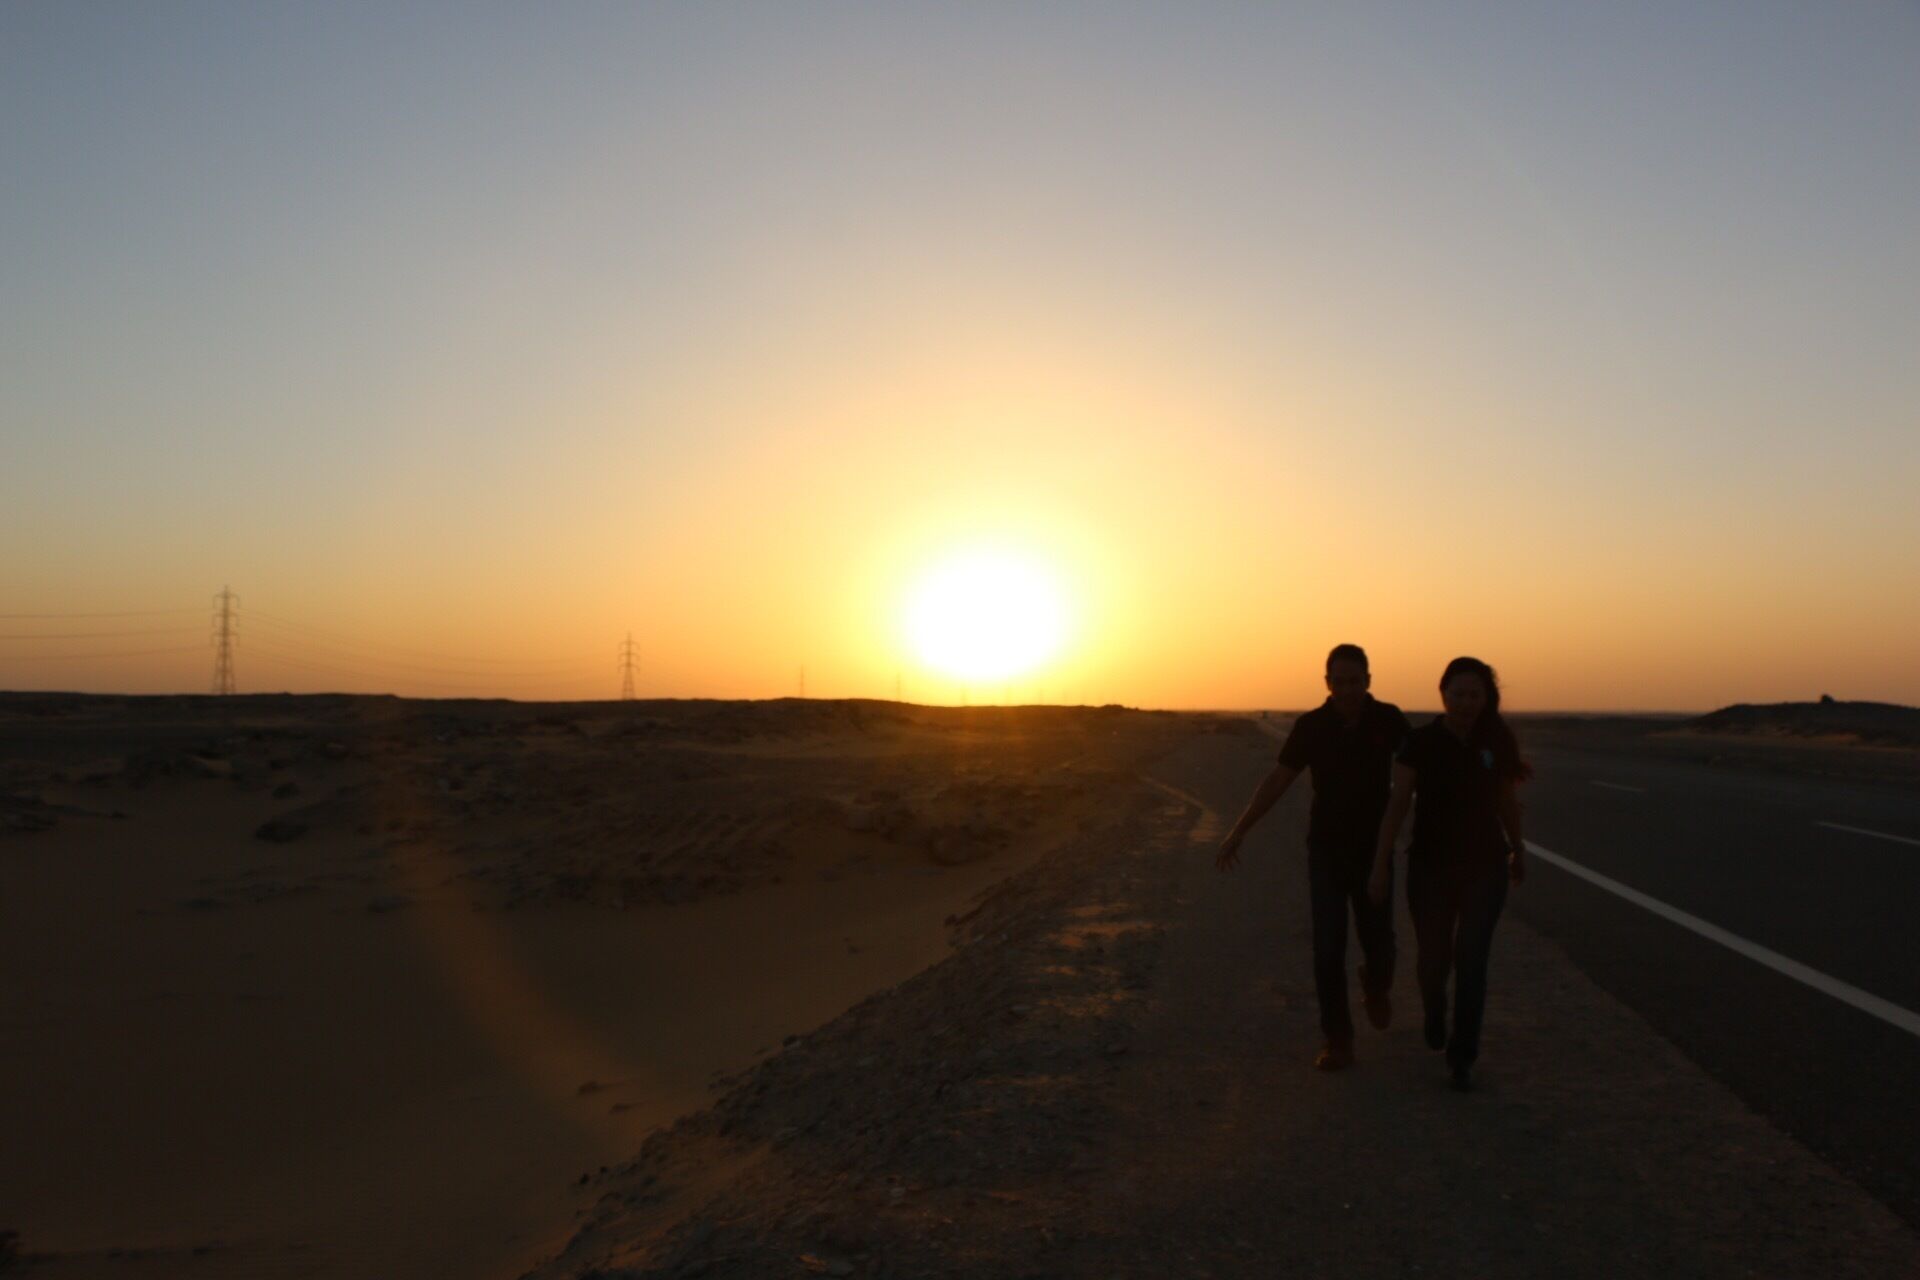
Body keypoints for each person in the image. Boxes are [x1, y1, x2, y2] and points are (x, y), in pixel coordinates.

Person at [1217, 644, 1411, 1070]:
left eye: (1355, 681)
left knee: (1380, 943)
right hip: (1326, 852)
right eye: (1339, 682)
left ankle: (1375, 986)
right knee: (1327, 947)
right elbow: (1278, 780)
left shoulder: (1388, 719)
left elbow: (1420, 771)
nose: (1348, 690)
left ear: (1368, 680)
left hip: (1374, 851)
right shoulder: (1312, 727)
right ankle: (1338, 1041)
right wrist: (1239, 831)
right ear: (1327, 683)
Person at [1368, 656, 1530, 1091]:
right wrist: (1380, 863)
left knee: (1472, 960)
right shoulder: (1419, 743)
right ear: (1443, 694)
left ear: (1486, 698)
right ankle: (1434, 1008)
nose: (1466, 703)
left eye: (1475, 695)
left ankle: (1462, 1057)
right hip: (1430, 868)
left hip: (1485, 867)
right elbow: (1397, 805)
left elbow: (1506, 803)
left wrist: (1518, 849)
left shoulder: (1496, 741)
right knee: (1433, 959)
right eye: (1458, 694)